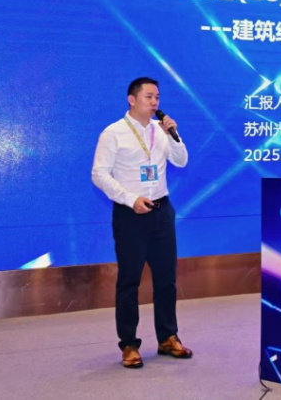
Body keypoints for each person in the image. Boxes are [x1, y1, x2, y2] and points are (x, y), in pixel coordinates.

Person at [91, 77, 193, 369]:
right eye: (149, 96)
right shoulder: (113, 133)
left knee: (166, 279)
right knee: (129, 281)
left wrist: (173, 134)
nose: (155, 102)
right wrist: (129, 198)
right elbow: (99, 174)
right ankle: (129, 344)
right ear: (132, 99)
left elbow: (182, 161)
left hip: (162, 211)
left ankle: (168, 337)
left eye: (157, 97)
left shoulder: (161, 130)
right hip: (131, 214)